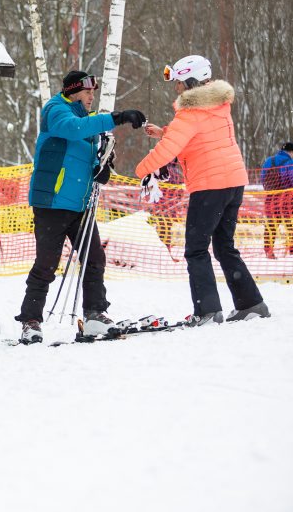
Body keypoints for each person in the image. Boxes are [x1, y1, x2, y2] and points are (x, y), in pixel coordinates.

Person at [137, 55, 270, 325]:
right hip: (233, 183)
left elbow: (169, 150)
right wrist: (165, 131)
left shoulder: (189, 113)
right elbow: (199, 136)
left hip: (210, 187)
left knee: (196, 249)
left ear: (190, 81)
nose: (176, 88)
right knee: (224, 246)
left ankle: (207, 311)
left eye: (178, 82)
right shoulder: (219, 106)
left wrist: (140, 171)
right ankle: (252, 304)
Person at [16, 71, 147, 343]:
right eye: (87, 92)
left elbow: (88, 157)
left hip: (80, 204)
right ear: (74, 91)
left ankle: (95, 315)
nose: (91, 97)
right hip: (52, 202)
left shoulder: (89, 123)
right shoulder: (56, 110)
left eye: (93, 93)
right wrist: (117, 117)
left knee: (94, 259)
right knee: (47, 263)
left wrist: (102, 167)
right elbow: (71, 129)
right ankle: (31, 320)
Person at [260, 141, 293, 259]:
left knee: (271, 225)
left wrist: (270, 191)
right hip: (286, 198)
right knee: (290, 224)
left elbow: (263, 178)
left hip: (270, 197)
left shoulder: (268, 161)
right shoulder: (290, 162)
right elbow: (291, 179)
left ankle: (269, 251)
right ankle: (292, 250)